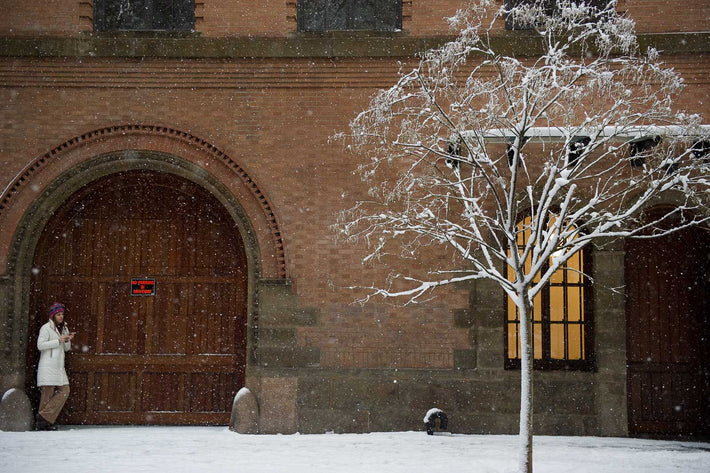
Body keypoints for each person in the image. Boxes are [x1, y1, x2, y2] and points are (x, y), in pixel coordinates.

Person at [36, 302, 75, 431]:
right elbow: (40, 345)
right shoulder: (46, 328)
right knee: (47, 394)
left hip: (59, 366)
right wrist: (58, 340)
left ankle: (43, 418)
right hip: (48, 365)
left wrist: (67, 340)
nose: (61, 316)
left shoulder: (63, 328)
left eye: (62, 314)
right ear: (53, 315)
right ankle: (44, 423)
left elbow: (67, 349)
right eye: (58, 314)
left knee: (65, 391)